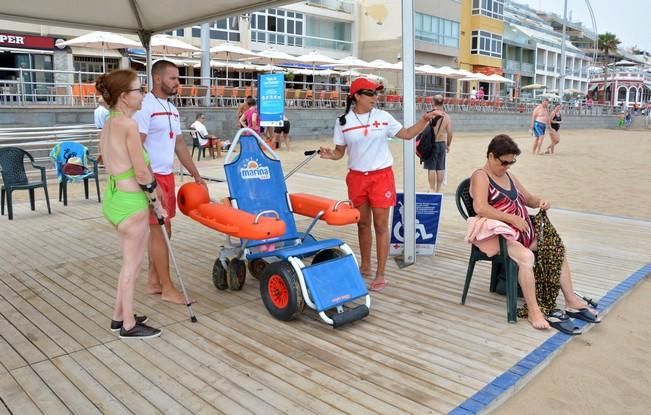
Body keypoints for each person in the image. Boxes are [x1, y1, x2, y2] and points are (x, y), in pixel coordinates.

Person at [319, 78, 443, 292]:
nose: (376, 98)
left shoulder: (383, 117)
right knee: (363, 224)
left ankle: (380, 273)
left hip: (381, 176)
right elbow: (340, 152)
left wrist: (424, 119)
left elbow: (406, 134)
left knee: (381, 226)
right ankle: (365, 266)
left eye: (377, 93)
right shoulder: (343, 122)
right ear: (357, 96)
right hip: (357, 178)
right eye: (371, 94)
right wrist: (331, 155)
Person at [469, 134, 599, 330]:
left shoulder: (509, 176)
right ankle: (534, 310)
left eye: (511, 163)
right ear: (491, 156)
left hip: (521, 232)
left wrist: (540, 202)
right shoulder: (481, 176)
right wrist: (512, 218)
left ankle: (571, 300)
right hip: (499, 236)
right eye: (504, 162)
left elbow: (527, 198)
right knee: (526, 257)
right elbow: (480, 207)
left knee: (556, 248)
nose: (507, 167)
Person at [96, 69, 164, 339]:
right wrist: (156, 203)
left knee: (128, 263)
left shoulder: (110, 122)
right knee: (132, 266)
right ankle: (128, 325)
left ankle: (118, 316)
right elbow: (142, 173)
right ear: (124, 97)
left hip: (113, 199)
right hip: (131, 201)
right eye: (139, 90)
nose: (143, 94)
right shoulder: (129, 125)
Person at [134, 59, 206, 305]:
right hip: (151, 177)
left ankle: (154, 281)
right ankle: (166, 287)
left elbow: (180, 145)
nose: (179, 82)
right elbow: (136, 145)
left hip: (167, 176)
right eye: (173, 78)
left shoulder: (172, 109)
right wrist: (149, 180)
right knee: (160, 232)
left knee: (165, 231)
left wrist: (195, 173)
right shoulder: (145, 106)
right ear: (157, 78)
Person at [423, 95, 453, 193]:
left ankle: (432, 189)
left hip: (431, 143)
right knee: (440, 167)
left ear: (433, 103)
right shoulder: (447, 117)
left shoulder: (430, 115)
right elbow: (450, 133)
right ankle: (438, 190)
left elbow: (424, 129)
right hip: (441, 143)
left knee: (431, 167)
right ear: (442, 103)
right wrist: (448, 145)